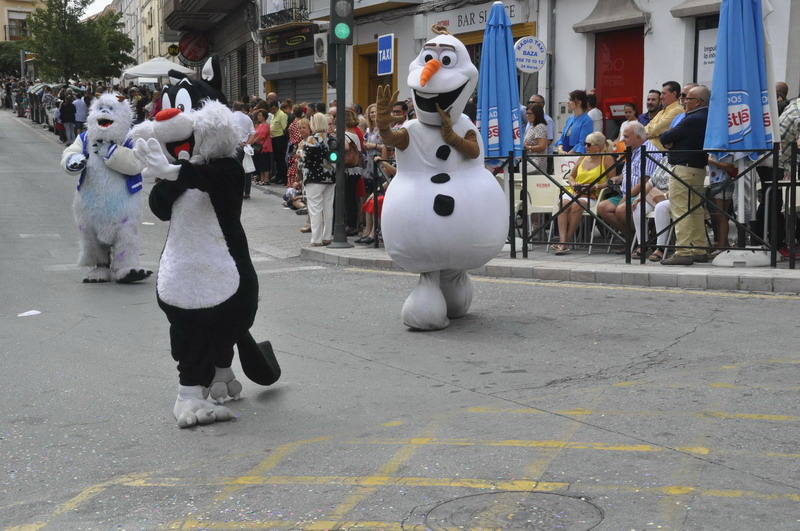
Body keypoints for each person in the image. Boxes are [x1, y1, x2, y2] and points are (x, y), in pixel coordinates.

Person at [659, 84, 710, 265]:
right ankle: (699, 248)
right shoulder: (706, 117)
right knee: (695, 209)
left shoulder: (692, 118)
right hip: (697, 168)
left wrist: (671, 141)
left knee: (681, 209)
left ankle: (683, 251)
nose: (684, 102)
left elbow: (665, 137)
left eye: (688, 98)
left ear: (698, 101)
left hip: (683, 167)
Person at [601, 121, 661, 256]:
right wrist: (619, 177)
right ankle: (632, 238)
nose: (622, 139)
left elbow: (645, 182)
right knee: (603, 208)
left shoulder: (649, 150)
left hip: (643, 194)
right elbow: (632, 172)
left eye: (626, 136)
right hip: (625, 192)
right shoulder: (633, 150)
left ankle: (643, 241)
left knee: (621, 210)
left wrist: (626, 198)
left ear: (639, 137)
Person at [553, 132, 616, 255]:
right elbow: (571, 176)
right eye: (584, 144)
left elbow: (611, 182)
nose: (585, 147)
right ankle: (563, 240)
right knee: (563, 203)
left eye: (588, 145)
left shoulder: (607, 159)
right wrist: (573, 183)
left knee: (577, 206)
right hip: (576, 190)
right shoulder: (583, 157)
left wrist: (596, 186)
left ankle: (566, 242)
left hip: (593, 194)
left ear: (598, 146)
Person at [299, 113, 336, 246]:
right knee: (328, 207)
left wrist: (300, 153)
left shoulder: (311, 139)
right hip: (330, 177)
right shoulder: (331, 138)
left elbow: (306, 160)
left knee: (315, 209)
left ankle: (316, 239)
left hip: (314, 178)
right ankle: (327, 237)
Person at [645, 81, 683, 151]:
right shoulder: (661, 112)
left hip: (660, 155)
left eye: (664, 93)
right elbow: (645, 129)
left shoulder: (677, 110)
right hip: (649, 152)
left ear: (674, 94)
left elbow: (655, 130)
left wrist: (650, 133)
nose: (661, 97)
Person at [555, 90, 594, 154]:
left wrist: (570, 153)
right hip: (565, 155)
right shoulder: (570, 119)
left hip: (578, 156)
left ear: (579, 102)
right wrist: (560, 149)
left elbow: (583, 142)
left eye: (571, 100)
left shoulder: (587, 120)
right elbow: (562, 138)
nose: (568, 102)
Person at [232, 102, 256, 198]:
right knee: (247, 170)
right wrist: (247, 143)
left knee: (235, 170)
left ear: (233, 108)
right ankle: (247, 192)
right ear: (242, 108)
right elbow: (253, 133)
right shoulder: (247, 118)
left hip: (234, 147)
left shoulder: (230, 117)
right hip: (245, 148)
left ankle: (237, 191)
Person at [523, 103, 549, 172]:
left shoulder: (539, 127)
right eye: (526, 113)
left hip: (536, 165)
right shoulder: (532, 126)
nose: (527, 115)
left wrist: (528, 148)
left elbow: (542, 146)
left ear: (537, 114)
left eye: (529, 113)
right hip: (530, 162)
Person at [252, 109, 273, 185]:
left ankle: (266, 179)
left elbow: (262, 136)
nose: (258, 117)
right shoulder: (259, 125)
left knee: (265, 163)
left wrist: (253, 141)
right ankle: (262, 178)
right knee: (260, 163)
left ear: (264, 117)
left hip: (264, 147)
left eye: (260, 115)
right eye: (258, 115)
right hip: (258, 147)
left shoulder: (266, 125)